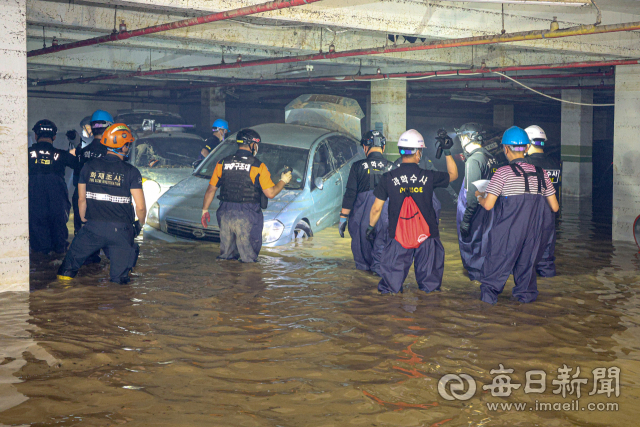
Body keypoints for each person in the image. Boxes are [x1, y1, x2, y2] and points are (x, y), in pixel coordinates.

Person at [476, 126, 559, 304]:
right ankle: (525, 313)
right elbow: (555, 207)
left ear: (505, 149)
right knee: (526, 273)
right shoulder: (541, 173)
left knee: (495, 267)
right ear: (527, 148)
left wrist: (479, 197)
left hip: (508, 230)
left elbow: (489, 205)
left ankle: (487, 309)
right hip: (534, 232)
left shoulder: (502, 173)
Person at [369, 129, 458, 294]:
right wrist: (447, 152)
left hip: (397, 236)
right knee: (430, 290)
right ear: (418, 153)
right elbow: (453, 175)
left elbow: (376, 208)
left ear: (401, 151)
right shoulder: (428, 176)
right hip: (427, 237)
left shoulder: (388, 178)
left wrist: (370, 227)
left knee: (390, 290)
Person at [57, 123, 146, 284]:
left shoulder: (88, 167)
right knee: (120, 282)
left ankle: (62, 303)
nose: (128, 148)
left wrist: (85, 220)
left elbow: (81, 199)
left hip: (93, 229)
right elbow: (140, 207)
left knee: (66, 271)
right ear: (122, 146)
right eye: (128, 145)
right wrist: (139, 225)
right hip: (121, 231)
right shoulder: (131, 172)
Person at [200, 128, 292, 263]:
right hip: (248, 214)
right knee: (248, 259)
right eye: (257, 145)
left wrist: (205, 210)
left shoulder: (223, 162)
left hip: (225, 212)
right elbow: (270, 193)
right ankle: (248, 283)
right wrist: (283, 180)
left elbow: (210, 190)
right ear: (252, 145)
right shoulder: (258, 166)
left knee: (226, 257)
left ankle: (226, 282)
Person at [339, 130, 394, 274]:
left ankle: (363, 289)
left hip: (361, 217)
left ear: (365, 147)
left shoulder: (357, 166)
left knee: (362, 262)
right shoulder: (393, 167)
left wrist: (343, 218)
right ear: (383, 147)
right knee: (382, 259)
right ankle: (381, 291)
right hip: (386, 216)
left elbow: (350, 194)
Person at [28, 119, 78, 254]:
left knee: (38, 247)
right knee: (59, 246)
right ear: (54, 137)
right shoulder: (62, 155)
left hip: (34, 202)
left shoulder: (26, 154)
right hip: (57, 202)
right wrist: (76, 144)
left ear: (36, 136)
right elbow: (81, 164)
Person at [455, 122, 494, 281]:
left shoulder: (474, 161)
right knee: (483, 247)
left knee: (471, 248)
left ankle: (474, 282)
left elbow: (472, 195)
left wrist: (466, 220)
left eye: (461, 137)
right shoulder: (489, 157)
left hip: (474, 212)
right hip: (486, 211)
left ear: (467, 137)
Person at [524, 125, 561, 277]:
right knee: (547, 254)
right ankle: (549, 280)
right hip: (550, 213)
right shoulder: (554, 163)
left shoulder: (525, 164)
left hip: (531, 214)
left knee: (526, 257)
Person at [72, 110, 113, 235]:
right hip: (103, 203)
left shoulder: (82, 152)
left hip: (81, 198)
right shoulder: (112, 153)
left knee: (82, 237)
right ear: (109, 128)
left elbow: (76, 180)